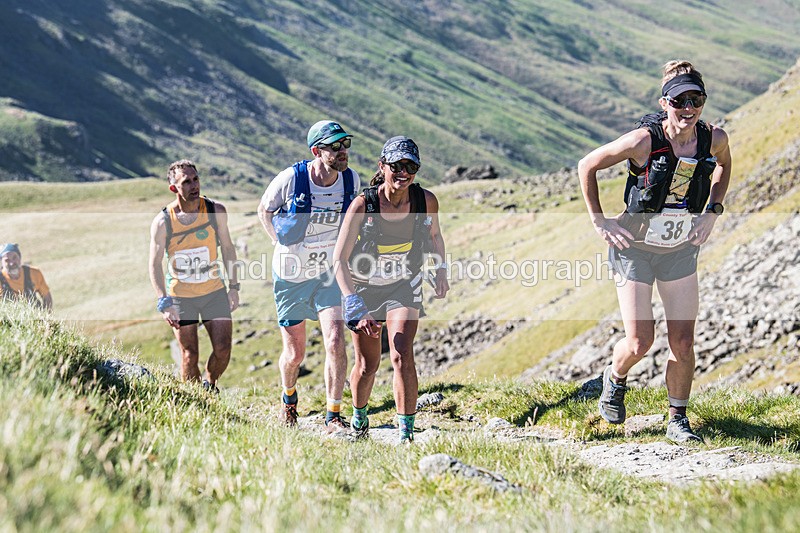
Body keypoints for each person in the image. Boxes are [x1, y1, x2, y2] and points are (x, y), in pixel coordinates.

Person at [578, 60, 732, 442]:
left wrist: (712, 211)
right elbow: (587, 165)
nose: (688, 108)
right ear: (665, 103)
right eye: (680, 100)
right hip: (635, 249)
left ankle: (677, 419)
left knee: (683, 341)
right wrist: (599, 221)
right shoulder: (644, 142)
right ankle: (614, 380)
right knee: (639, 342)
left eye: (696, 99)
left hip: (680, 249)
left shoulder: (714, 138)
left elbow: (724, 167)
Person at [333, 136, 449, 443]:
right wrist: (353, 302)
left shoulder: (426, 201)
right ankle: (359, 420)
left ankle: (406, 435)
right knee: (367, 365)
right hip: (365, 290)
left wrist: (440, 270)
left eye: (411, 166)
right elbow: (339, 260)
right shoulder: (364, 205)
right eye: (397, 165)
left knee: (401, 355)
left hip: (403, 285)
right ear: (382, 166)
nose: (404, 172)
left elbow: (435, 236)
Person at [258, 120, 360, 431]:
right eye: (334, 146)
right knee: (294, 354)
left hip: (328, 274)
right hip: (291, 276)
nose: (342, 151)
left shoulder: (350, 179)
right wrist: (279, 242)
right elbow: (265, 209)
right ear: (317, 151)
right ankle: (289, 400)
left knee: (334, 340)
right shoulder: (291, 178)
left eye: (345, 144)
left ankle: (333, 414)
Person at [148, 159, 239, 392]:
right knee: (189, 355)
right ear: (174, 188)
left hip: (214, 291)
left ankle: (210, 384)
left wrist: (234, 287)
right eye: (186, 182)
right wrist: (163, 301)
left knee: (223, 350)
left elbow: (228, 249)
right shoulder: (163, 221)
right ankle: (195, 399)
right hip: (181, 296)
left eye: (196, 179)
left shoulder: (215, 211)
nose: (194, 185)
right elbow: (155, 263)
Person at [0, 243, 53, 310]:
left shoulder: (34, 273)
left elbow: (47, 297)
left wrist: (46, 315)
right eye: (7, 260)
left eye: (14, 257)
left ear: (20, 257)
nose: (12, 263)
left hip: (35, 315)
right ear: (2, 262)